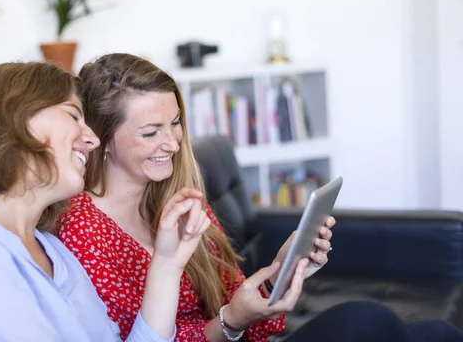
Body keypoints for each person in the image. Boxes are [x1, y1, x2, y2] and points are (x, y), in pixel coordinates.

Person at [58, 53, 463, 342]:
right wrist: (231, 322)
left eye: (176, 123)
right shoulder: (83, 230)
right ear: (102, 140)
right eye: (151, 132)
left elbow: (240, 306)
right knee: (366, 319)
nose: (173, 142)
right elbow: (142, 338)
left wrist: (282, 269)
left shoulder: (181, 200)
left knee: (438, 333)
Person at [0, 61, 211, 342]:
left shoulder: (53, 253)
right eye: (73, 115)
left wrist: (168, 264)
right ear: (17, 118)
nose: (93, 139)